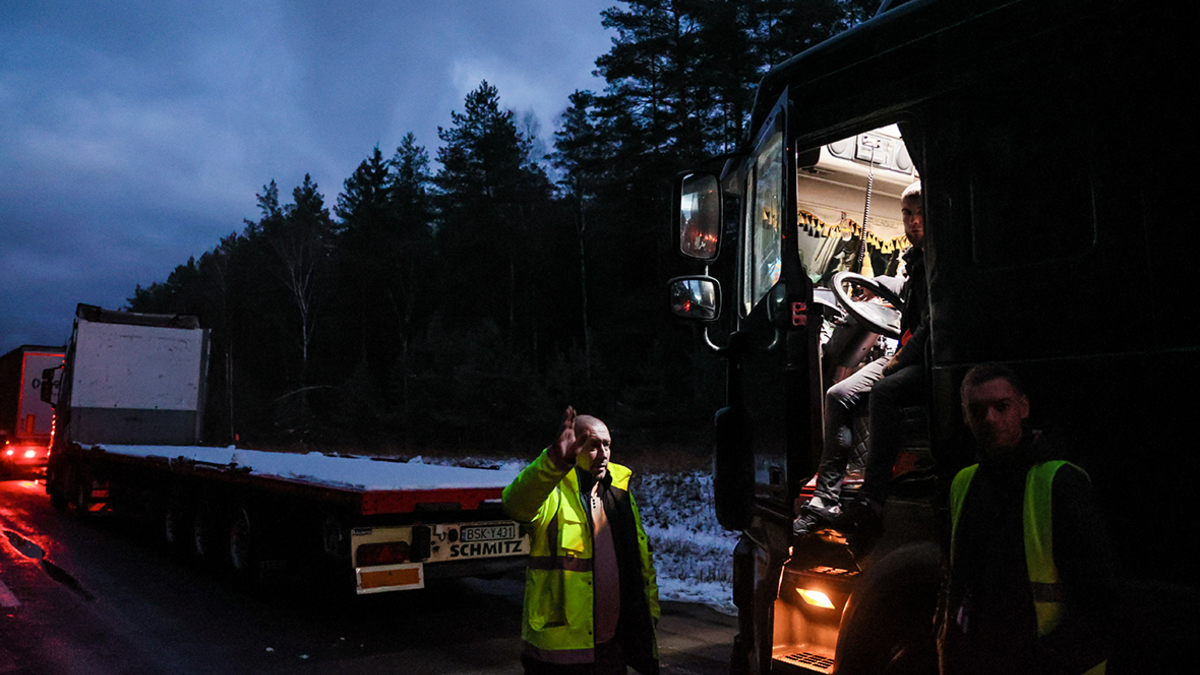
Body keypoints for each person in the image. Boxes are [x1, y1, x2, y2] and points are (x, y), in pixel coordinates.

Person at [939, 363, 1113, 675]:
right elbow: (957, 582)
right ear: (965, 417)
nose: (990, 418)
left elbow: (1099, 601)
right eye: (977, 410)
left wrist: (1042, 659)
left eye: (1001, 406)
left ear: (1023, 408)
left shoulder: (1061, 482)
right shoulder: (963, 484)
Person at [794, 180, 927, 536]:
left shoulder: (940, 260)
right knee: (838, 394)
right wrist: (876, 282)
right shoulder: (919, 262)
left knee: (884, 392)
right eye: (907, 215)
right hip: (908, 354)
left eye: (921, 214)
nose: (913, 222)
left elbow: (931, 327)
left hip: (928, 359)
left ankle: (872, 496)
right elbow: (907, 289)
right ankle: (826, 497)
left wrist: (898, 363)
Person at [503, 407, 660, 675]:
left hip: (613, 649)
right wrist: (553, 461)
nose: (603, 454)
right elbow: (515, 504)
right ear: (572, 449)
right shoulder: (553, 493)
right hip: (559, 656)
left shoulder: (620, 495)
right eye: (592, 446)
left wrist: (650, 614)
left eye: (607, 445)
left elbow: (641, 562)